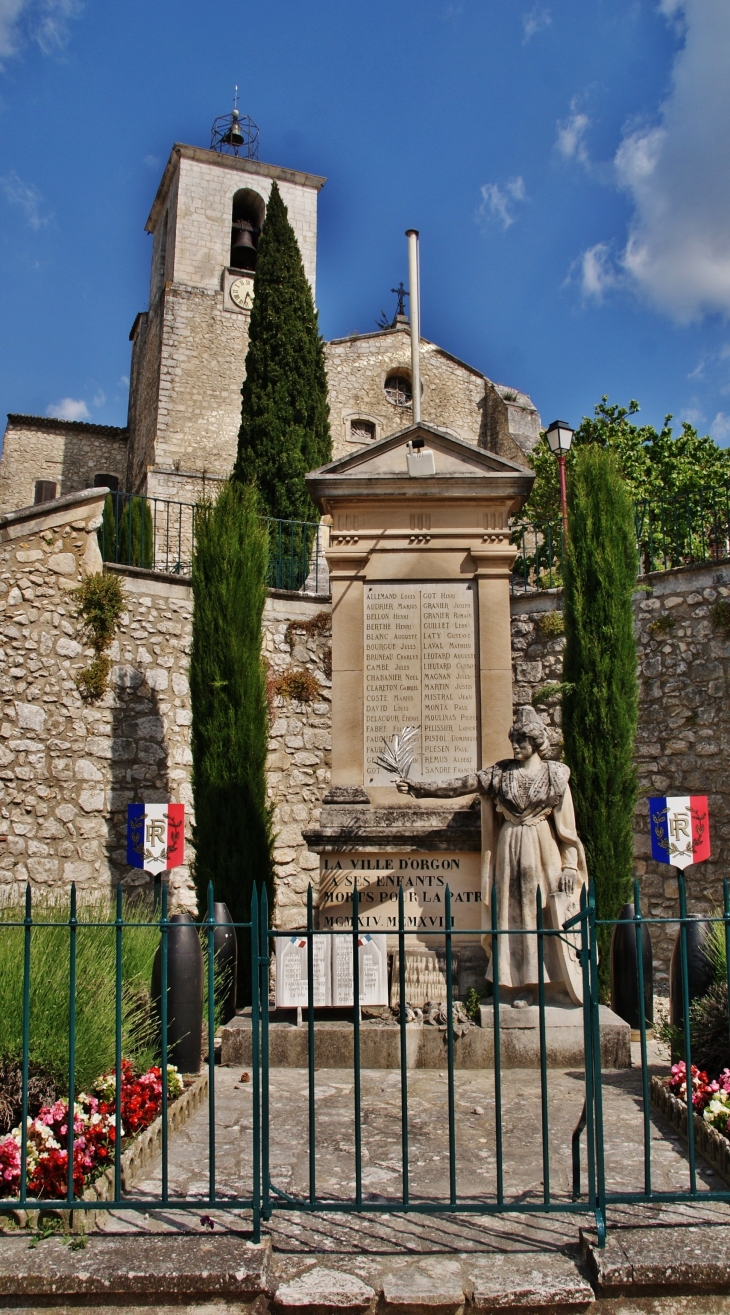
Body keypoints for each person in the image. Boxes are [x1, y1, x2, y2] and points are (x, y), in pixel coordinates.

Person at [396, 705, 587, 1005]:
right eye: (514, 739)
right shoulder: (500, 773)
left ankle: (555, 983)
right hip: (510, 847)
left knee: (546, 914)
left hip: (544, 849)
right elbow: (462, 784)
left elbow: (568, 828)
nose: (515, 745)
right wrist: (420, 788)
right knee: (512, 916)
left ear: (536, 742)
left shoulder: (556, 775)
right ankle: (520, 985)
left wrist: (570, 866)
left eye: (522, 740)